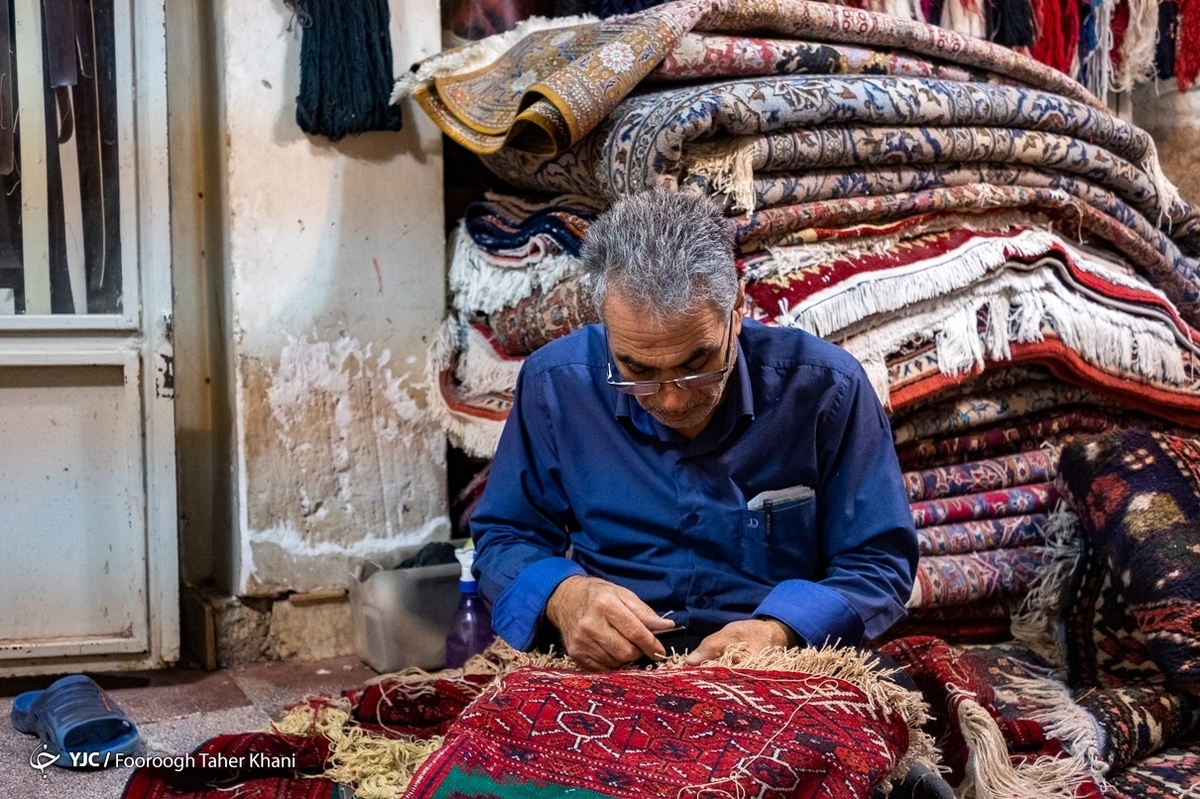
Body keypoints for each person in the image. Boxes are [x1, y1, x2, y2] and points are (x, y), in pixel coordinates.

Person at [470, 188, 917, 671]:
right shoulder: (556, 386)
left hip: (783, 666)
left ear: (737, 309)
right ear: (605, 325)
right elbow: (505, 536)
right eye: (637, 370)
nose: (672, 398)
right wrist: (565, 595)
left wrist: (781, 630)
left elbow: (877, 562)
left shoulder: (825, 390)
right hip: (609, 670)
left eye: (697, 363)